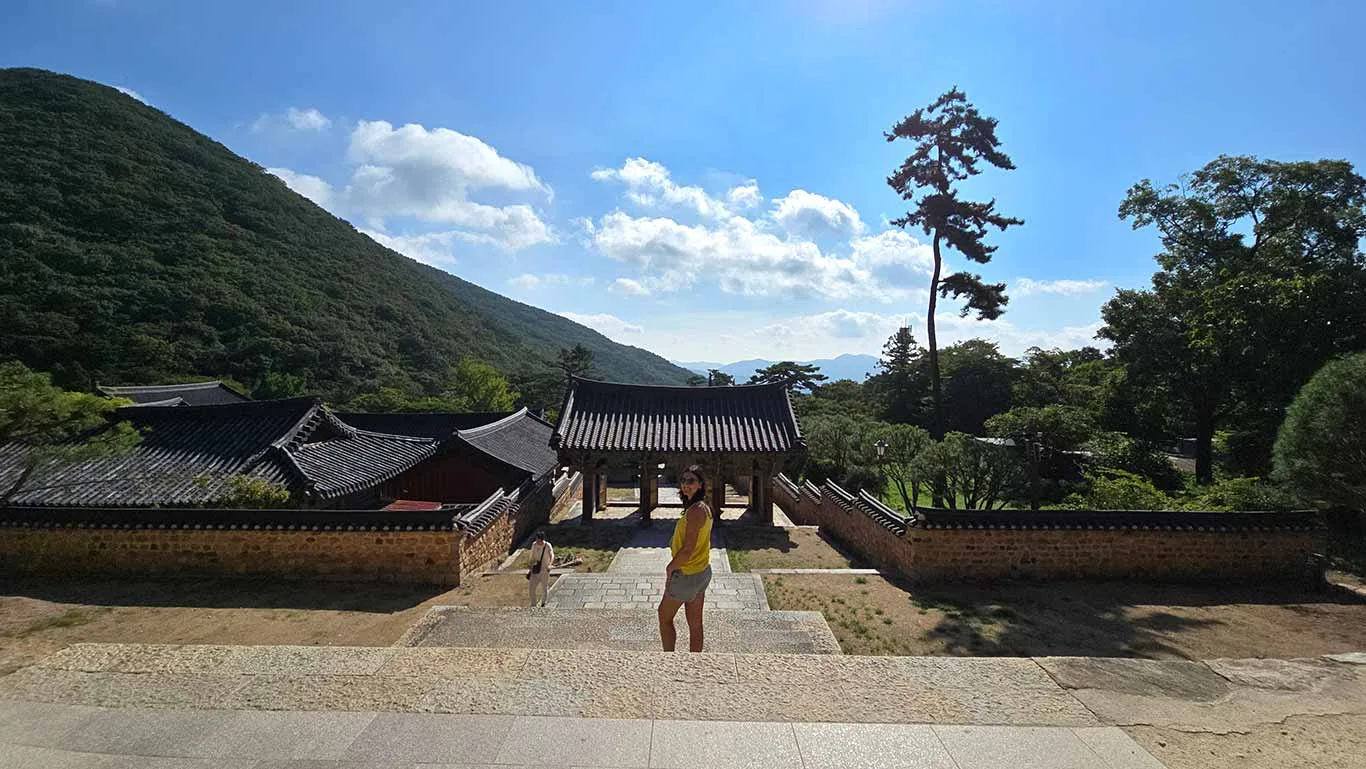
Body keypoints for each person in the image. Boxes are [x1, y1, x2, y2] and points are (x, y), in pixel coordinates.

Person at [659, 465, 713, 652]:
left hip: (687, 573)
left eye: (691, 481)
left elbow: (687, 550)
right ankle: (694, 662)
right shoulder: (702, 508)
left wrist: (670, 568)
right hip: (701, 572)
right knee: (695, 623)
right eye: (683, 481)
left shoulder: (696, 511)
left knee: (664, 616)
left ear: (700, 485)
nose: (685, 485)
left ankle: (670, 658)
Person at [527, 530, 554, 607]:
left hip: (545, 570)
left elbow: (552, 555)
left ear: (542, 539)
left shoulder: (547, 545)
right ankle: (533, 604)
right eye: (537, 540)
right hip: (535, 569)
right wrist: (530, 564)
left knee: (544, 587)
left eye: (539, 541)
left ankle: (543, 603)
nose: (538, 542)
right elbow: (531, 555)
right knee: (531, 587)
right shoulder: (534, 545)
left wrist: (550, 564)